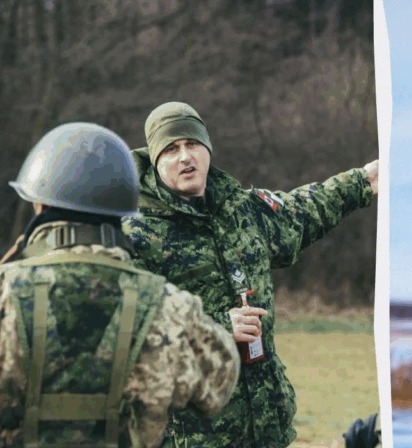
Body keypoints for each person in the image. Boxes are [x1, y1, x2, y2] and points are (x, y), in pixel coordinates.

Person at [121, 102, 378, 447]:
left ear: (207, 148)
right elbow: (131, 332)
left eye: (192, 144)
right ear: (155, 160)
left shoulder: (243, 210)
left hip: (265, 428)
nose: (185, 157)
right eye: (171, 149)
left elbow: (305, 209)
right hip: (194, 437)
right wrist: (215, 328)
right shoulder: (135, 235)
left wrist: (364, 180)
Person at [0, 123, 241, 448]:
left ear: (40, 206)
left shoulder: (5, 293)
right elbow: (219, 382)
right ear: (121, 212)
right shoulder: (168, 306)